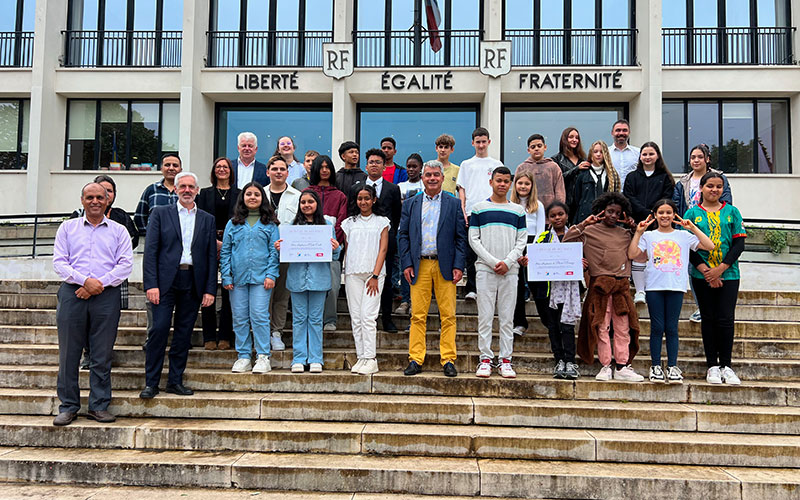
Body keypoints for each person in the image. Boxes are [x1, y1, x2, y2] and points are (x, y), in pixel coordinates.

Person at [52, 183, 133, 426]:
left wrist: (100, 284)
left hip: (106, 296)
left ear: (108, 200)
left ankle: (99, 406)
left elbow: (125, 264)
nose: (95, 201)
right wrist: (85, 282)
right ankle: (68, 406)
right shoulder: (67, 228)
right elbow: (59, 262)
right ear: (82, 200)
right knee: (69, 353)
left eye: (100, 197)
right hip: (72, 293)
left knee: (102, 353)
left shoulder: (119, 231)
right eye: (90, 197)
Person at [140, 172, 217, 399]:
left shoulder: (206, 218)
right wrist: (151, 284)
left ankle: (175, 381)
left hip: (193, 281)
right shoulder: (160, 214)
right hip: (164, 283)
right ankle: (151, 383)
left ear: (196, 191)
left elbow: (211, 256)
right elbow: (150, 251)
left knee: (184, 334)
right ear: (175, 189)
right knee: (159, 330)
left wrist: (210, 289)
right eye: (182, 186)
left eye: (190, 187)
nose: (186, 190)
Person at [628, 199, 714, 383]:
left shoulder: (683, 236)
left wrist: (692, 228)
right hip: (654, 287)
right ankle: (656, 366)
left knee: (672, 328)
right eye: (661, 212)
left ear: (674, 215)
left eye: (669, 212)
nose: (665, 216)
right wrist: (638, 232)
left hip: (676, 286)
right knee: (658, 327)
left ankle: (673, 366)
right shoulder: (649, 236)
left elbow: (709, 246)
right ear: (655, 215)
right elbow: (633, 254)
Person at [564, 192, 644, 382]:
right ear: (601, 211)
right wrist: (585, 223)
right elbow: (567, 240)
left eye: (618, 213)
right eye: (610, 211)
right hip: (599, 285)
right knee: (601, 326)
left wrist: (634, 228)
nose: (613, 216)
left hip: (621, 286)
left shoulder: (626, 233)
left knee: (623, 328)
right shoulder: (588, 232)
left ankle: (622, 366)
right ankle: (606, 365)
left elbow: (640, 251)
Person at [399, 161, 467, 378]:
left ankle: (448, 359)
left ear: (442, 177)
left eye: (436, 175)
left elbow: (460, 238)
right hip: (419, 265)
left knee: (448, 315)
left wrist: (459, 265)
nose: (432, 178)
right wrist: (407, 263)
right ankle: (415, 358)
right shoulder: (410, 203)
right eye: (428, 175)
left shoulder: (454, 203)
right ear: (422, 177)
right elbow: (403, 236)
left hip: (445, 266)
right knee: (418, 315)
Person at [70, 175, 138, 370]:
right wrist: (87, 282)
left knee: (107, 321)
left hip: (112, 278)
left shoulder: (121, 216)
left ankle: (103, 353)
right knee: (83, 322)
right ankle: (88, 353)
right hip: (81, 282)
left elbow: (133, 239)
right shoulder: (76, 217)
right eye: (100, 191)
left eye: (109, 191)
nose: (103, 197)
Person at [685, 172, 746, 385]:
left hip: (729, 274)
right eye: (710, 186)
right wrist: (706, 271)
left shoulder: (732, 211)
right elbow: (688, 246)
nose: (714, 190)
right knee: (708, 318)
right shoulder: (692, 214)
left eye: (719, 186)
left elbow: (739, 244)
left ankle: (726, 366)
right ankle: (712, 366)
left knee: (726, 319)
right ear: (701, 188)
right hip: (701, 276)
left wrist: (719, 270)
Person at [469, 166, 527, 378]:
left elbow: (521, 241)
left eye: (505, 181)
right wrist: (494, 261)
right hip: (485, 269)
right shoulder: (479, 208)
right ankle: (485, 359)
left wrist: (508, 261)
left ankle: (505, 360)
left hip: (510, 272)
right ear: (491, 181)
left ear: (510, 183)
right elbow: (473, 239)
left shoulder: (518, 211)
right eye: (498, 180)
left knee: (507, 318)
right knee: (484, 316)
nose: (502, 184)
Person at [276, 190, 341, 373]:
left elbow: (334, 255)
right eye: (303, 202)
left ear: (316, 204)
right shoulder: (291, 226)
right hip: (297, 279)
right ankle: (298, 357)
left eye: (310, 201)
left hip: (319, 280)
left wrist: (336, 248)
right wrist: (280, 248)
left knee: (314, 319)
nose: (306, 205)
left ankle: (315, 358)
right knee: (298, 319)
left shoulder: (326, 225)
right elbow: (283, 254)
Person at [220, 182, 280, 374]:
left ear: (262, 198)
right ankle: (244, 356)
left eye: (256, 194)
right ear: (242, 198)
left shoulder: (270, 224)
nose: (252, 197)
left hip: (262, 279)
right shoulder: (233, 223)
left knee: (260, 316)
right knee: (239, 318)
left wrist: (271, 274)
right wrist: (226, 275)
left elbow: (274, 251)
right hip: (237, 279)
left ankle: (263, 356)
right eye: (248, 194)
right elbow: (226, 251)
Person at [672, 144, 733, 323]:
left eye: (700, 157)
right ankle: (701, 307)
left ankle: (715, 301)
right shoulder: (683, 182)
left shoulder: (718, 178)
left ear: (707, 159)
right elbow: (676, 206)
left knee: (715, 260)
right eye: (693, 157)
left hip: (713, 226)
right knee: (694, 266)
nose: (696, 160)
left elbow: (727, 200)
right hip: (690, 227)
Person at [349, 148, 402, 333]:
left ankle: (386, 318)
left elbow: (396, 216)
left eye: (378, 162)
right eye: (371, 162)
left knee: (385, 282)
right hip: (360, 244)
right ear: (366, 165)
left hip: (384, 243)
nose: (374, 165)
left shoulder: (393, 188)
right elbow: (352, 213)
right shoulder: (357, 188)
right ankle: (361, 319)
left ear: (383, 166)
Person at [133, 153, 182, 351]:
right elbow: (139, 217)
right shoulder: (151, 190)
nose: (171, 168)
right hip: (157, 254)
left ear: (180, 168)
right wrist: (155, 236)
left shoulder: (185, 190)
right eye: (167, 164)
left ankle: (178, 341)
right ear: (161, 168)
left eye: (175, 165)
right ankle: (152, 339)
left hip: (181, 255)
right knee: (153, 299)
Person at [342, 184, 390, 375]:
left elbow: (383, 249)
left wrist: (375, 275)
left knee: (368, 317)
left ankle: (371, 358)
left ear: (374, 200)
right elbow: (347, 248)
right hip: (353, 273)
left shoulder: (382, 222)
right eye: (360, 198)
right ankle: (361, 357)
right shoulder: (349, 223)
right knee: (356, 317)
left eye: (367, 198)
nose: (363, 202)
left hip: (374, 275)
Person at [534, 201, 582, 380]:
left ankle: (570, 361)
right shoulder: (543, 237)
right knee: (553, 326)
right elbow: (535, 258)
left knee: (567, 326)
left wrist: (582, 263)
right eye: (553, 215)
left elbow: (585, 256)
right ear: (548, 219)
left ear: (567, 215)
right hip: (549, 291)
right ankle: (559, 360)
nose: (557, 218)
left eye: (560, 214)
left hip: (570, 290)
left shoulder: (576, 236)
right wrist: (528, 261)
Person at [623, 141, 676, 304]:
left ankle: (654, 286)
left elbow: (667, 197)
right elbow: (628, 196)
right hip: (638, 221)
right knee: (639, 255)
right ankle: (640, 291)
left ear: (657, 156)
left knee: (658, 255)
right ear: (640, 157)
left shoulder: (665, 177)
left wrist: (656, 213)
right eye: (644, 154)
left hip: (660, 222)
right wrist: (646, 213)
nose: (647, 157)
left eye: (651, 154)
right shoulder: (632, 176)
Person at [196, 157, 239, 352]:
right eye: (218, 167)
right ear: (214, 171)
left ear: (231, 171)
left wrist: (226, 242)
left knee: (230, 291)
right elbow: (199, 221)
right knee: (208, 290)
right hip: (208, 245)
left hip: (233, 247)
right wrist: (214, 241)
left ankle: (225, 336)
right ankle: (209, 336)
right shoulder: (203, 194)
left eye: (226, 167)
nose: (222, 169)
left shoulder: (239, 194)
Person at [456, 127, 503, 301]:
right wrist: (463, 210)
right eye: (478, 142)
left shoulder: (497, 164)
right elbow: (462, 189)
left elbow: (501, 188)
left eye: (484, 141)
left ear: (489, 142)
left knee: (493, 250)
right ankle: (472, 289)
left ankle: (493, 289)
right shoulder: (466, 164)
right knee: (472, 253)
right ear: (473, 143)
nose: (481, 145)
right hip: (472, 212)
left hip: (492, 212)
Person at [307, 155, 348, 332]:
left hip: (332, 248)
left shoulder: (339, 196)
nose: (324, 170)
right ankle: (311, 319)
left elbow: (342, 222)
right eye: (321, 167)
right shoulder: (307, 192)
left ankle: (330, 319)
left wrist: (333, 243)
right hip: (308, 250)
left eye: (327, 167)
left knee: (332, 287)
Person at [264, 155, 301, 351]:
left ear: (288, 173)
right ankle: (263, 332)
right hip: (263, 254)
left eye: (282, 169)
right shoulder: (259, 194)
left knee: (281, 295)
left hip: (288, 254)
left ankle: (276, 332)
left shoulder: (297, 196)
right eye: (275, 169)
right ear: (268, 172)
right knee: (264, 294)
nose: (278, 172)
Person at [509, 170, 545, 337]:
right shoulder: (509, 205)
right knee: (515, 286)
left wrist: (533, 250)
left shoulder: (538, 205)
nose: (523, 186)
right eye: (520, 183)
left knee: (536, 287)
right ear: (515, 185)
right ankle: (519, 322)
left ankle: (547, 320)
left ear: (531, 186)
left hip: (533, 247)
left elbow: (541, 230)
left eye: (526, 184)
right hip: (515, 245)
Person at [394, 154, 424, 315]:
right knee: (403, 267)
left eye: (414, 166)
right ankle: (405, 300)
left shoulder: (425, 185)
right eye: (409, 166)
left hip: (421, 233)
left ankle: (416, 301)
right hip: (402, 230)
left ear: (421, 168)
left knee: (420, 268)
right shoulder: (399, 186)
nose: (411, 169)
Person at [565, 140, 621, 225]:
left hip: (605, 218)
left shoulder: (612, 175)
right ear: (591, 154)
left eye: (601, 152)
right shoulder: (583, 174)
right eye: (595, 152)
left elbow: (616, 198)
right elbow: (577, 199)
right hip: (585, 217)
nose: (598, 154)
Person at [514, 133, 566, 210]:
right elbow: (515, 192)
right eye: (533, 147)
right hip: (527, 212)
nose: (536, 149)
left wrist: (558, 210)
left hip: (549, 214)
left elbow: (560, 192)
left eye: (539, 146)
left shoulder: (553, 167)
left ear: (545, 147)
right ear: (528, 150)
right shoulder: (522, 168)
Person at [609, 119, 640, 186]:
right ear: (612, 133)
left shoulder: (638, 153)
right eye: (618, 130)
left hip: (632, 194)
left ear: (629, 132)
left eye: (625, 130)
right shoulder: (606, 153)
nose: (621, 133)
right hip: (611, 194)